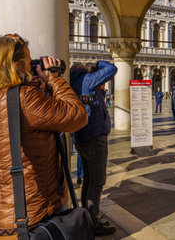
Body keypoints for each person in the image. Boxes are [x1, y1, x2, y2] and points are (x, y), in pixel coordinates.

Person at [0, 34, 88, 239]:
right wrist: (55, 79)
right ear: (17, 65)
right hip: (31, 217)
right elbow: (78, 116)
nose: (32, 66)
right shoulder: (25, 98)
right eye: (29, 62)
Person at [70, 60, 118, 236]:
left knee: (89, 179)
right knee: (97, 181)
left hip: (83, 137)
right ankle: (92, 222)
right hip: (94, 137)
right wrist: (98, 62)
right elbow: (112, 68)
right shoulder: (86, 80)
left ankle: (87, 218)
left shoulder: (75, 81)